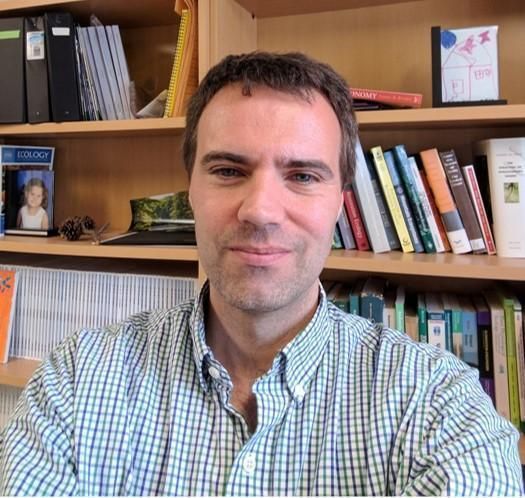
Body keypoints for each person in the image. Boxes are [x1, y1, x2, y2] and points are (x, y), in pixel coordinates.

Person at [0, 52, 523, 496]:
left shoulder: (438, 403)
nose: (260, 211)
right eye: (228, 171)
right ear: (190, 190)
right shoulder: (75, 380)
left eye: (303, 176)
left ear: (340, 204)